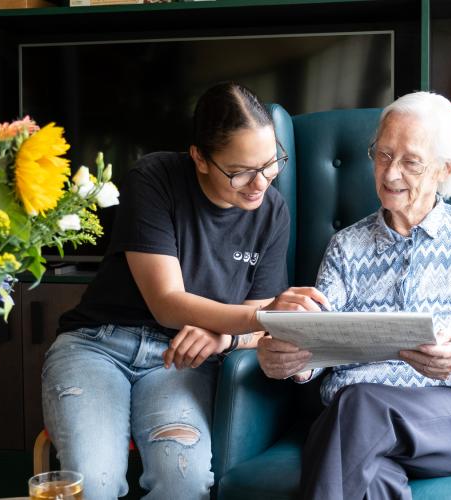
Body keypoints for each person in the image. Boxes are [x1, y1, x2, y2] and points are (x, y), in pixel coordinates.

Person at [42, 82, 327, 500]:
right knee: (94, 481)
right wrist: (264, 316)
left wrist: (226, 336)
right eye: (240, 171)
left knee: (185, 480)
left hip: (180, 363)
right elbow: (168, 303)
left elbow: (253, 330)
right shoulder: (154, 178)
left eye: (271, 164)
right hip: (99, 346)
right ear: (200, 158)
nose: (260, 183)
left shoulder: (271, 212)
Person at [256, 91, 451, 500]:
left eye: (410, 162)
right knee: (368, 469)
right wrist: (292, 360)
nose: (390, 173)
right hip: (356, 430)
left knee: (355, 409)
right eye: (382, 155)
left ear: (445, 169)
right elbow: (316, 339)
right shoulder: (346, 247)